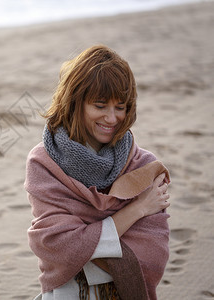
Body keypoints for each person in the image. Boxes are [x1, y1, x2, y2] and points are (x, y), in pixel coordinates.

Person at [24, 45, 171, 300]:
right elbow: (57, 245)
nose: (112, 118)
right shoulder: (44, 163)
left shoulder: (143, 166)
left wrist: (86, 243)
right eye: (100, 105)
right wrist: (136, 210)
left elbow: (153, 251)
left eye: (120, 107)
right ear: (75, 102)